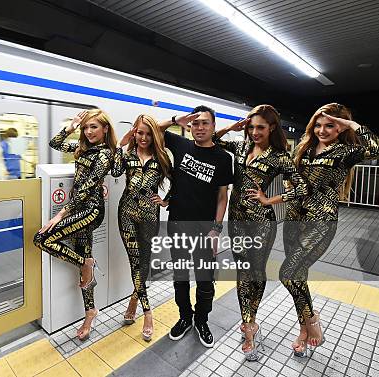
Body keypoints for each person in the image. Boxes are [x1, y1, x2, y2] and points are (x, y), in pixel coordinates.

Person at [281, 103, 379, 357]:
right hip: (294, 218)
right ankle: (304, 331)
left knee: (288, 272)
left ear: (340, 127)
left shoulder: (345, 152)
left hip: (321, 221)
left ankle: (313, 323)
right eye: (318, 124)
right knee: (299, 277)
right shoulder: (304, 147)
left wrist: (351, 124)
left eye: (330, 125)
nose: (322, 129)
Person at [213, 105, 308, 361]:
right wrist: (232, 127)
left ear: (272, 128)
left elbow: (301, 188)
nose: (255, 132)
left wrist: (270, 200)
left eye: (261, 127)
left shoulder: (279, 156)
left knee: (255, 273)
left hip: (262, 224)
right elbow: (211, 140)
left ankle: (250, 322)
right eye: (251, 127)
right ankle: (248, 323)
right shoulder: (241, 148)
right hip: (237, 221)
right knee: (243, 273)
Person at [33, 109, 117, 341]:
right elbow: (55, 143)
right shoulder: (82, 149)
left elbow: (86, 189)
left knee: (42, 239)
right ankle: (90, 311)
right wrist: (71, 127)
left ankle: (86, 264)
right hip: (79, 210)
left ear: (105, 129)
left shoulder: (105, 155)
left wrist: (60, 215)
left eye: (94, 127)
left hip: (91, 211)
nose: (88, 132)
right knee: (84, 261)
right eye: (86, 127)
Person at [157, 106, 234, 347]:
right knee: (180, 277)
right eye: (195, 123)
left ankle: (201, 320)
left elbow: (223, 197)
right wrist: (173, 119)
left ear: (213, 127)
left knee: (204, 279)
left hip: (205, 229)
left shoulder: (223, 158)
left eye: (205, 123)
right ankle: (184, 318)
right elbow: (151, 129)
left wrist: (216, 229)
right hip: (178, 224)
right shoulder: (180, 145)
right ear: (189, 126)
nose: (199, 127)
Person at [111, 114, 171, 342]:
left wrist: (166, 201)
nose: (143, 137)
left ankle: (134, 300)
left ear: (154, 135)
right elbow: (115, 172)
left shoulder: (161, 158)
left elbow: (177, 182)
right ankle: (147, 313)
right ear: (134, 133)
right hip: (126, 214)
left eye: (148, 133)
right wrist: (119, 143)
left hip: (150, 218)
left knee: (144, 263)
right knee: (136, 263)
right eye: (139, 133)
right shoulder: (127, 156)